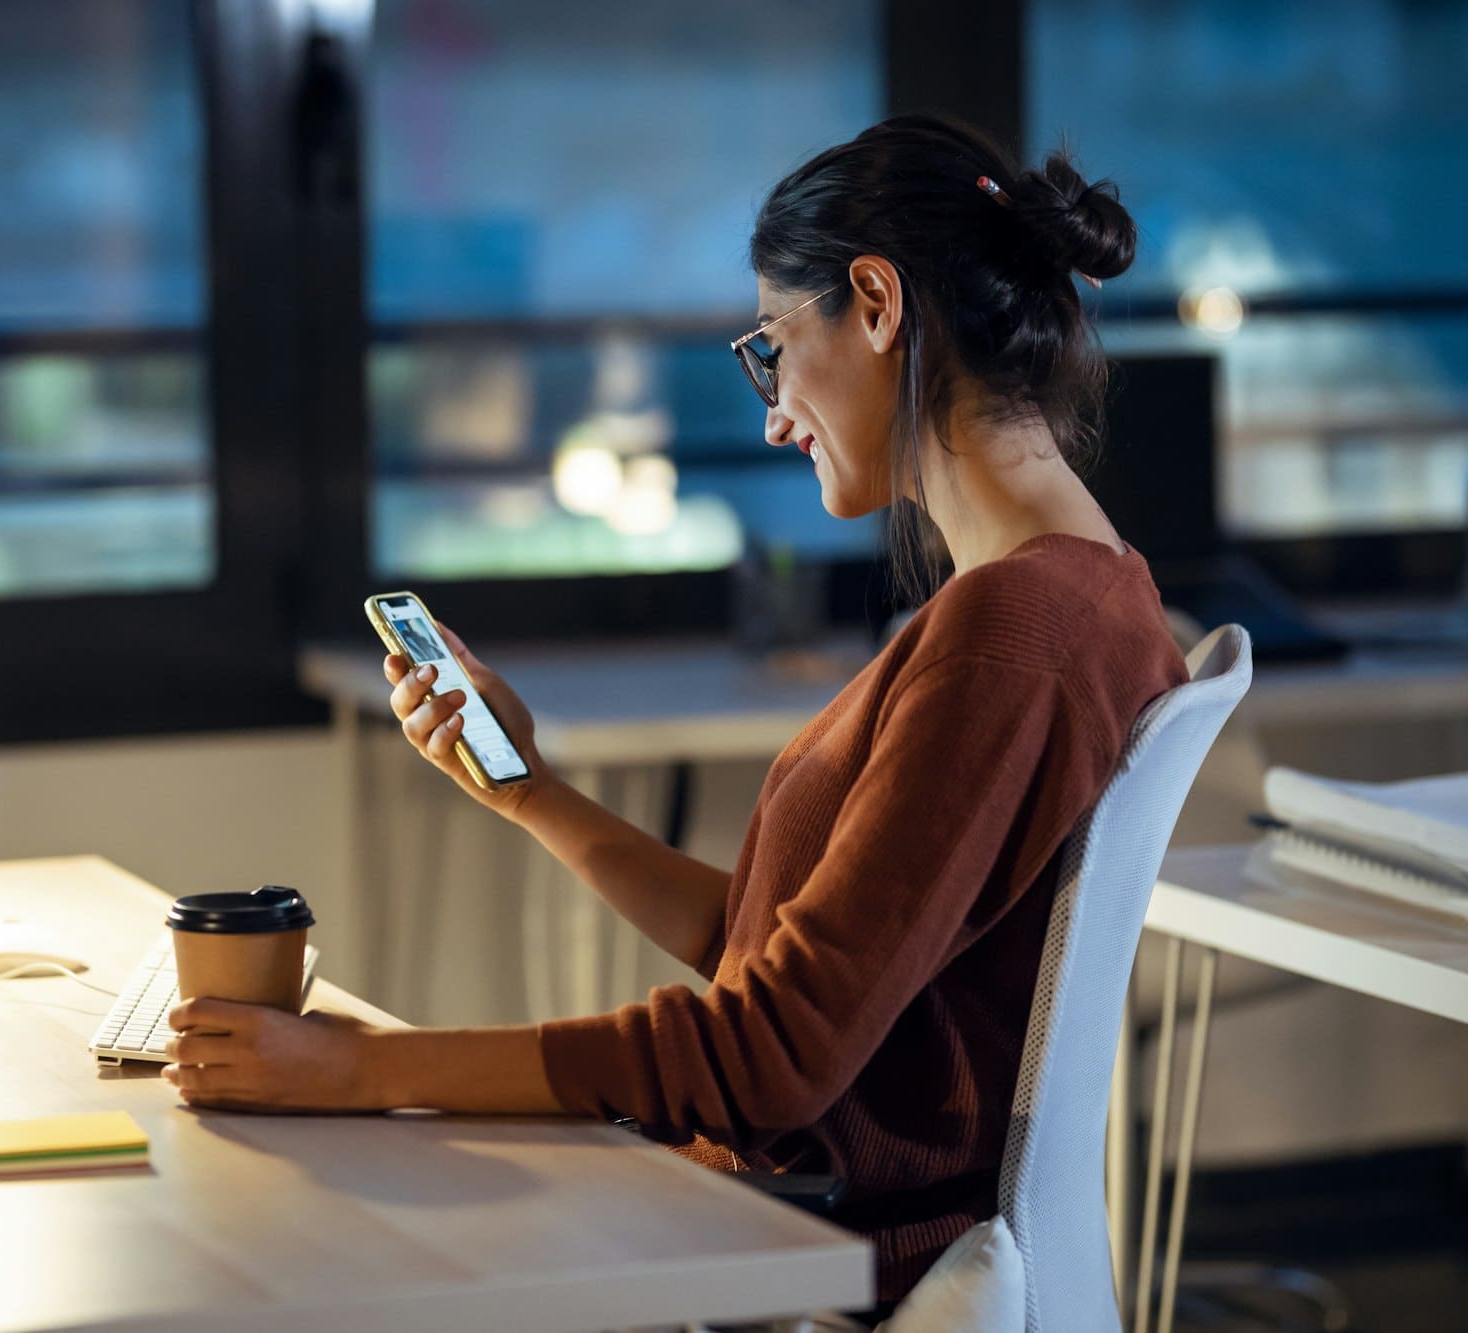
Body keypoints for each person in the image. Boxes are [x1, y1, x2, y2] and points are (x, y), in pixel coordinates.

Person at [162, 113, 1190, 1309]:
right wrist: (530, 793)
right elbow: (788, 963)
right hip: (807, 1219)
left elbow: (765, 1059)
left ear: (874, 302)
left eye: (769, 349)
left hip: (814, 1248)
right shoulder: (1092, 590)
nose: (771, 414)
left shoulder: (1006, 642)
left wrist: (358, 1069)